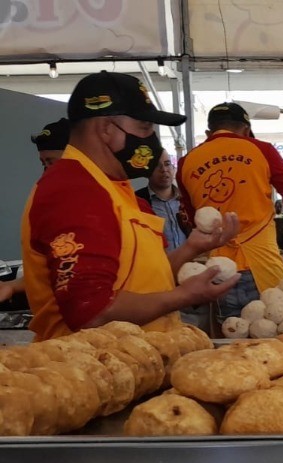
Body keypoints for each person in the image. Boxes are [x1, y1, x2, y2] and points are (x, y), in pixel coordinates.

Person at [22, 72, 239, 340]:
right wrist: (183, 296)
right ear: (106, 129)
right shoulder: (74, 191)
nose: (151, 140)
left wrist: (193, 248)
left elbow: (145, 281)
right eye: (145, 128)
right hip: (95, 370)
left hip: (138, 362)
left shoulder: (114, 188)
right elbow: (91, 313)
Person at [178, 101, 283, 318]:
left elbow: (194, 224)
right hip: (264, 263)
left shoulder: (185, 162)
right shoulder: (262, 150)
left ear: (209, 132)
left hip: (220, 271)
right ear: (246, 130)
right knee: (277, 337)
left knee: (230, 346)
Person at [2, 119, 73, 304]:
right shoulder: (46, 195)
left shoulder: (97, 200)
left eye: (52, 162)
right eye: (43, 163)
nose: (47, 171)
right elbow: (50, 270)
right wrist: (11, 286)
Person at [135, 149, 186, 252]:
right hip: (155, 266)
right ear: (147, 171)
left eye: (167, 164)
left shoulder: (186, 198)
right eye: (156, 165)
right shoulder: (136, 201)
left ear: (173, 168)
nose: (164, 169)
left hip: (190, 265)